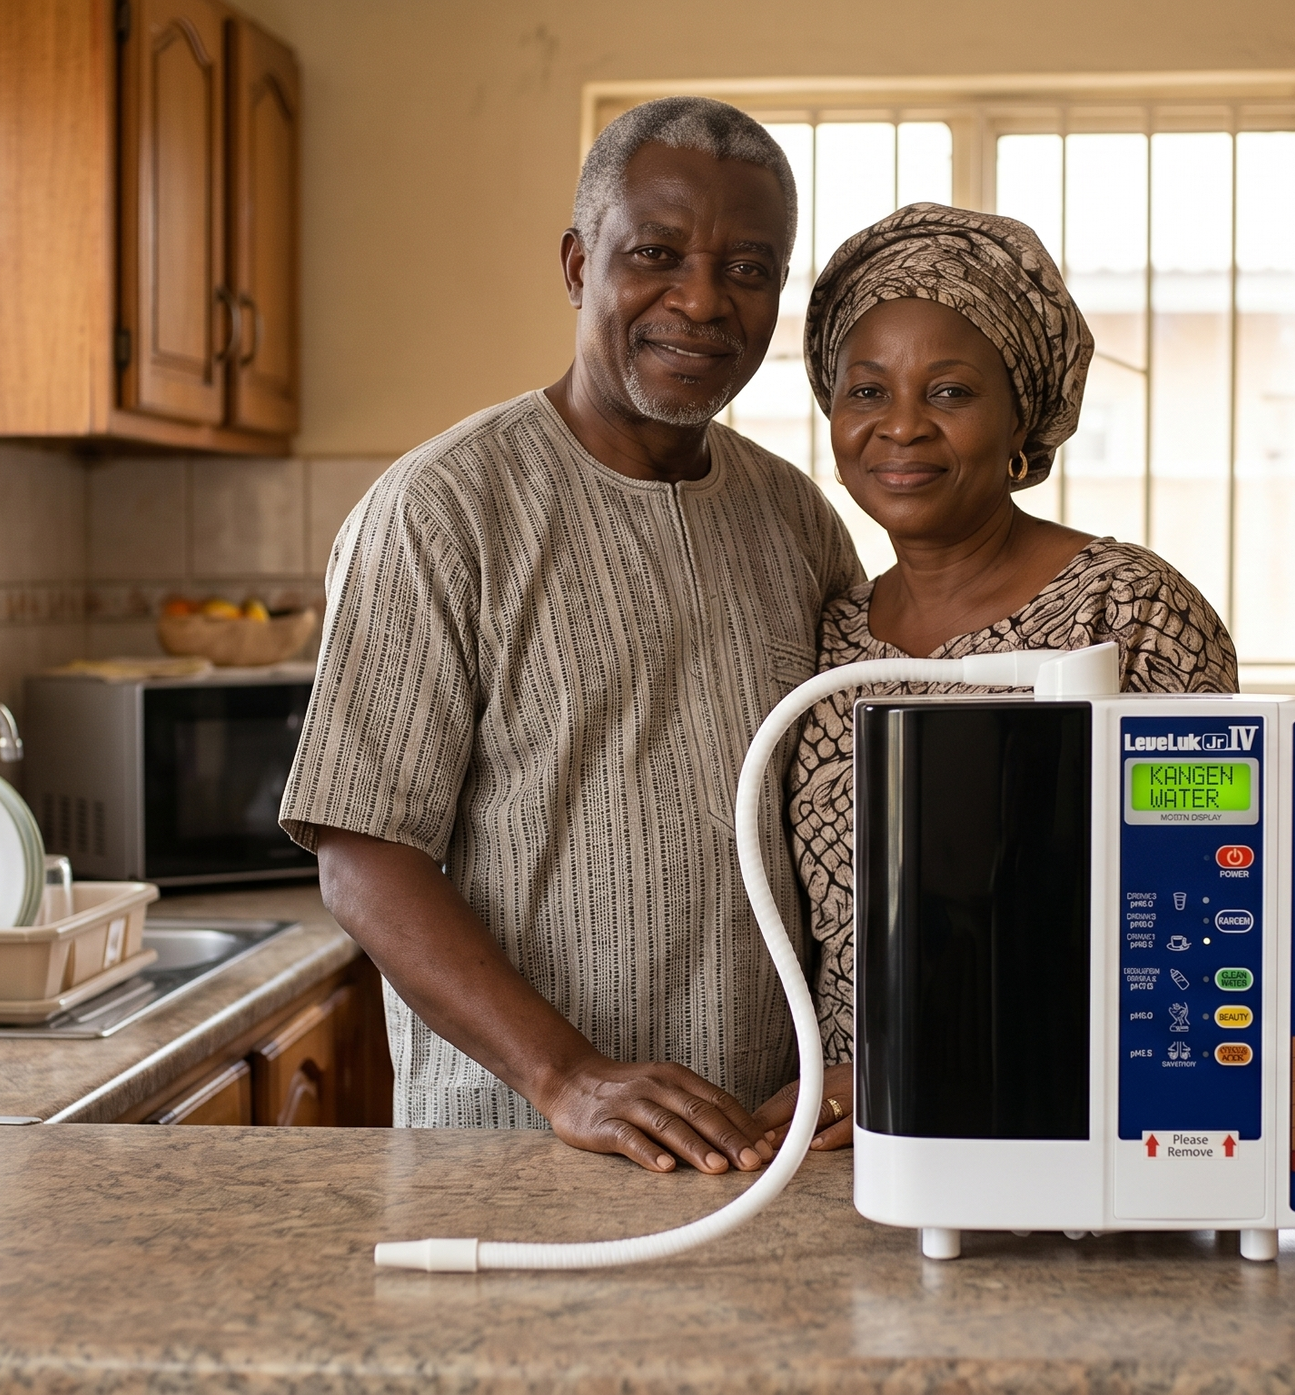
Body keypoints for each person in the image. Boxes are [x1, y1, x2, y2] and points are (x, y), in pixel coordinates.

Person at [277, 98, 861, 1174]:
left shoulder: (798, 522)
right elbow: (362, 856)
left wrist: (863, 1056)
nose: (701, 300)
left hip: (768, 1148)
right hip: (514, 1148)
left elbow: (846, 831)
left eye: (748, 268)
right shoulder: (439, 512)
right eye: (655, 253)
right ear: (576, 261)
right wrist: (565, 1075)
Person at [764, 203, 1239, 1150]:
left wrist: (920, 1061)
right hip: (849, 1148)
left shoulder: (1132, 611)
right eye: (867, 391)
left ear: (1023, 418)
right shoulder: (833, 640)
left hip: (1067, 1131)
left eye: (949, 392)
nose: (899, 427)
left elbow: (1189, 928)